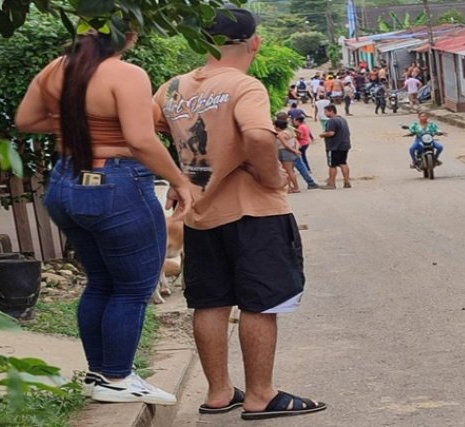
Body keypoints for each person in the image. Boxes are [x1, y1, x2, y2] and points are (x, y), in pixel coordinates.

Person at [153, 6, 326, 420]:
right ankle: (261, 395)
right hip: (255, 212)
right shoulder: (244, 86)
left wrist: (180, 176)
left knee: (210, 302)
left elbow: (148, 129)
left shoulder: (172, 88)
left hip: (200, 214)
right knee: (260, 302)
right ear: (255, 42)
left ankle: (218, 393)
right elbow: (256, 134)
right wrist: (269, 178)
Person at [15, 24, 193, 405]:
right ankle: (116, 377)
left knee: (100, 282)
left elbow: (26, 121)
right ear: (128, 34)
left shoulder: (56, 68)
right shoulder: (127, 75)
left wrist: (77, 125)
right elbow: (141, 140)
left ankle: (101, 375)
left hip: (66, 180)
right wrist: (180, 181)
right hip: (117, 182)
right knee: (132, 287)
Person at [318, 105, 352, 189]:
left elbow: (331, 133)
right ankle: (347, 181)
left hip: (334, 146)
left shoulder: (332, 121)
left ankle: (331, 183)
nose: (325, 114)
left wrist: (323, 134)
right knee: (343, 163)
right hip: (344, 145)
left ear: (331, 111)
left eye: (326, 112)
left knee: (332, 165)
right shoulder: (342, 119)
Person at [275, 119, 300, 193]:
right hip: (290, 152)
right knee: (290, 171)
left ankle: (295, 187)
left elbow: (286, 145)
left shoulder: (280, 135)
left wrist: (294, 150)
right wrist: (296, 150)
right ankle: (290, 187)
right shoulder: (289, 132)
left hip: (285, 152)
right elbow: (296, 142)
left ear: (278, 127)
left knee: (288, 171)